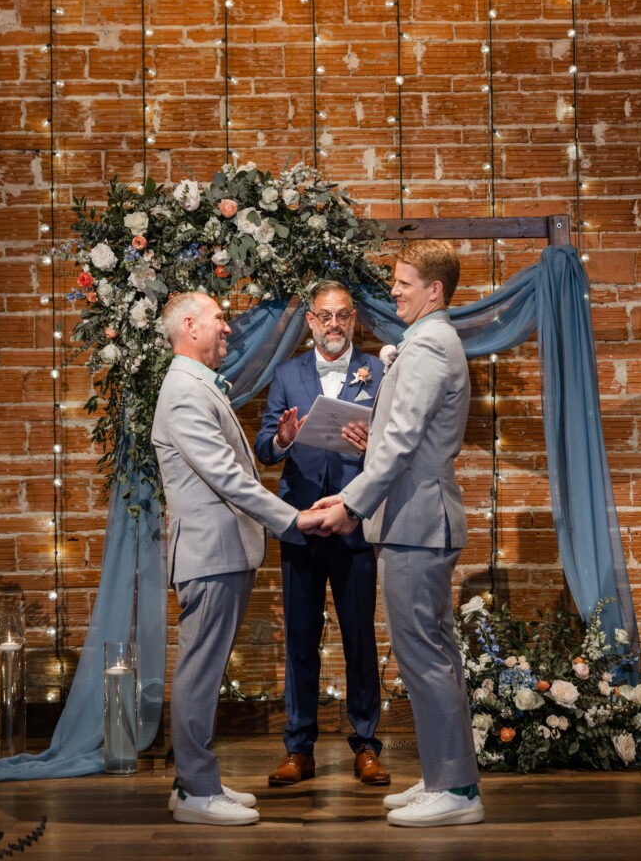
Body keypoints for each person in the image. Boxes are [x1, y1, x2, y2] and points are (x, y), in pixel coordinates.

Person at [313, 242, 484, 828]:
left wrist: (350, 506)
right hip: (413, 515)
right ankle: (442, 775)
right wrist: (372, 446)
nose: (394, 291)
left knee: (426, 656)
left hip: (418, 519)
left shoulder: (431, 346)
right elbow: (403, 435)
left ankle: (458, 790)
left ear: (434, 290)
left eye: (403, 283)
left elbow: (407, 441)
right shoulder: (427, 342)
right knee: (427, 655)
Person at [151, 291, 326, 827]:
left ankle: (195, 782)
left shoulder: (198, 385)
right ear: (189, 326)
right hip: (211, 552)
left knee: (206, 669)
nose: (228, 328)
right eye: (219, 319)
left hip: (223, 550)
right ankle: (197, 792)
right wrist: (292, 519)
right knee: (201, 672)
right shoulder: (183, 390)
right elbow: (226, 478)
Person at [254, 280, 390, 787]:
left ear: (353, 319)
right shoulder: (288, 373)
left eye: (342, 316)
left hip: (355, 524)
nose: (333, 325)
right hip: (301, 525)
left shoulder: (377, 370)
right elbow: (265, 448)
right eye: (324, 316)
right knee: (300, 640)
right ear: (310, 321)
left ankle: (367, 745)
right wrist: (283, 438)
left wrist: (369, 442)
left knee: (359, 637)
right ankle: (299, 748)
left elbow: (395, 443)